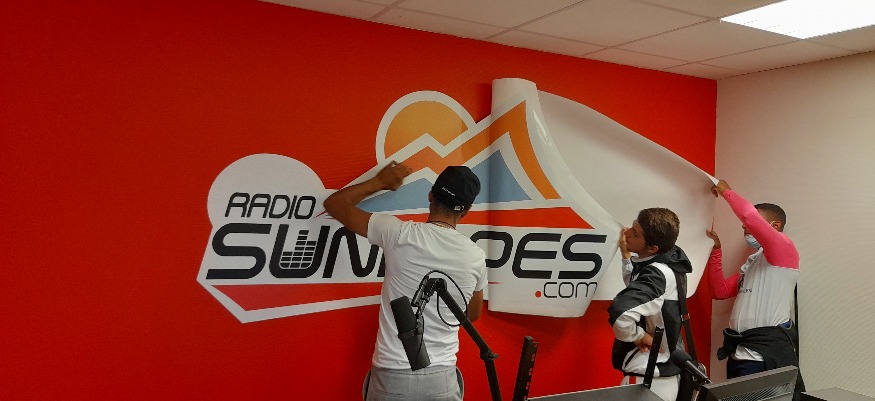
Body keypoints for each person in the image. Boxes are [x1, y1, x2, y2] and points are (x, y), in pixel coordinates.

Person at [323, 161, 487, 401]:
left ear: (431, 195)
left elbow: (335, 204)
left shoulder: (398, 233)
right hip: (441, 380)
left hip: (393, 376)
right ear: (466, 210)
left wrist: (380, 182)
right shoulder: (476, 257)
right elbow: (471, 314)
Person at [707, 180, 805, 399]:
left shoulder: (784, 250)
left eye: (749, 226)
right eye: (744, 228)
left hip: (762, 357)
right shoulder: (751, 265)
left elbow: (749, 216)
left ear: (774, 226)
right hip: (739, 354)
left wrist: (727, 192)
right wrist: (716, 250)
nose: (745, 228)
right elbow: (719, 291)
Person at [608, 208, 692, 401]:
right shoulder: (668, 263)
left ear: (653, 248)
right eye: (633, 226)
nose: (627, 232)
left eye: (635, 233)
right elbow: (638, 287)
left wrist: (639, 336)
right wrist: (626, 257)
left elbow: (620, 314)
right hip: (659, 376)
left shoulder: (657, 274)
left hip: (649, 378)